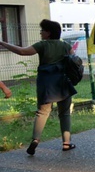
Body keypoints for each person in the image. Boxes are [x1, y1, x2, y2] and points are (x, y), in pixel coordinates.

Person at [0, 19, 77, 155]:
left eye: (42, 30)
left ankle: (35, 140)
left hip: (46, 83)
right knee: (64, 113)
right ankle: (66, 143)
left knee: (42, 112)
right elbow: (74, 60)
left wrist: (3, 43)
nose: (40, 33)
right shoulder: (65, 45)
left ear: (48, 33)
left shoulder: (42, 45)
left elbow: (23, 51)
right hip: (63, 83)